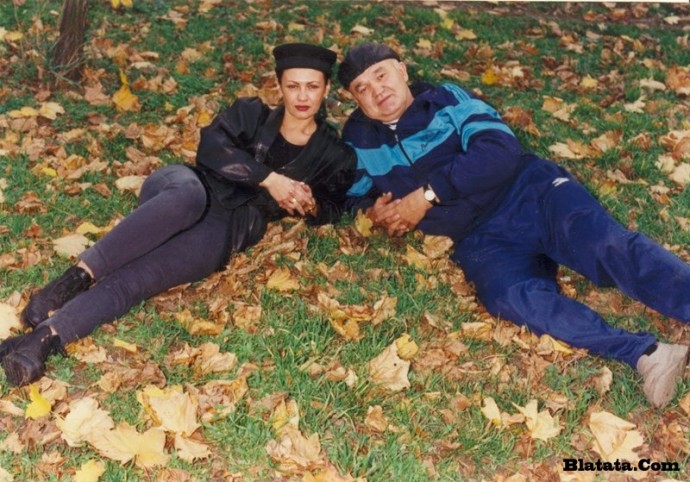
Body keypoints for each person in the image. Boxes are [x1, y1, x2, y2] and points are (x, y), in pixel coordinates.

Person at [338, 42, 690, 409]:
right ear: (355, 99)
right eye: (362, 88)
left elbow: (498, 151)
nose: (377, 90)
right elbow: (351, 194)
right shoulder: (359, 139)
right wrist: (373, 212)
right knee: (510, 298)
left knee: (605, 246)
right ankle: (648, 354)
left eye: (381, 75)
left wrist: (425, 196)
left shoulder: (447, 100)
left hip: (532, 193)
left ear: (402, 70)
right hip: (479, 239)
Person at [0, 43, 355, 387]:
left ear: (326, 89)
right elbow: (211, 148)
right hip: (186, 186)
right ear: (279, 86)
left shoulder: (333, 154)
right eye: (293, 86)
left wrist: (312, 206)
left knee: (138, 279)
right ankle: (71, 280)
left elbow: (333, 204)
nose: (302, 96)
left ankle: (41, 340)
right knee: (187, 198)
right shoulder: (251, 113)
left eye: (312, 86)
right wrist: (269, 179)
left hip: (228, 225)